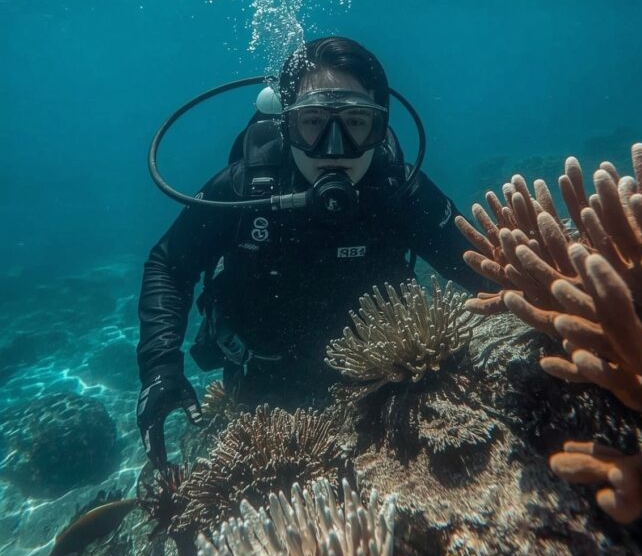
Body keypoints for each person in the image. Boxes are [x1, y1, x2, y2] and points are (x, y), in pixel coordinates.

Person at [136, 36, 481, 468]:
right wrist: (159, 369)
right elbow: (169, 264)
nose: (333, 150)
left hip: (389, 394)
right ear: (286, 124)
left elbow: (482, 270)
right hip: (261, 390)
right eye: (313, 122)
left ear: (381, 126)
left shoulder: (398, 190)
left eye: (357, 123)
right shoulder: (244, 189)